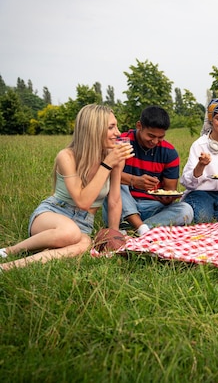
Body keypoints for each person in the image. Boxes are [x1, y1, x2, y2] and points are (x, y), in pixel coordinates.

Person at [0, 105, 131, 270]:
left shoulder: (115, 157)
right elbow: (83, 201)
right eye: (111, 127)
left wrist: (113, 234)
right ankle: (9, 251)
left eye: (116, 126)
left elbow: (114, 200)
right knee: (69, 233)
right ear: (94, 129)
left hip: (84, 224)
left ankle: (8, 267)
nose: (118, 133)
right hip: (54, 213)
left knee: (82, 246)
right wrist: (106, 165)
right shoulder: (67, 156)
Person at [103, 106, 193, 235]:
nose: (155, 141)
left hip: (151, 206)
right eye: (151, 136)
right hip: (121, 206)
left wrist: (168, 197)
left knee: (186, 210)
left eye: (160, 137)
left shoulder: (169, 152)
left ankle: (140, 229)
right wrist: (134, 181)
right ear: (139, 126)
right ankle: (143, 228)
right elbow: (105, 173)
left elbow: (169, 190)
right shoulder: (121, 142)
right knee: (115, 182)